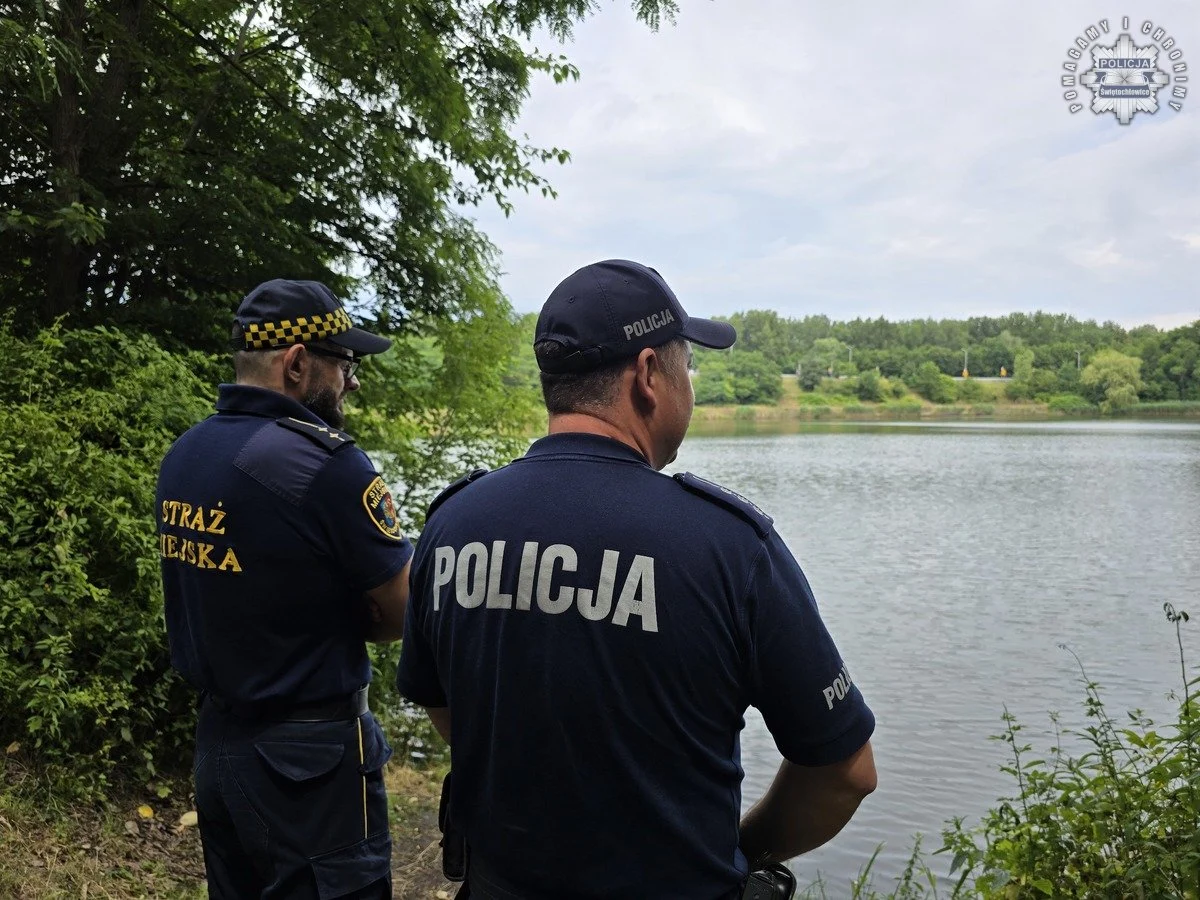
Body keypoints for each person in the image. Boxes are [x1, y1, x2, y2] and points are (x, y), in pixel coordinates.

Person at [396, 259, 877, 900]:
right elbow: (845, 772)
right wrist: (741, 849)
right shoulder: (730, 547)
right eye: (688, 366)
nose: (691, 386)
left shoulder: (453, 524)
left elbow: (444, 704)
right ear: (649, 375)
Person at [157, 279, 413, 899]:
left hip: (219, 749)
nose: (351, 381)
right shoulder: (323, 464)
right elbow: (405, 607)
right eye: (343, 364)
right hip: (311, 767)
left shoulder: (186, 453)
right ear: (297, 363)